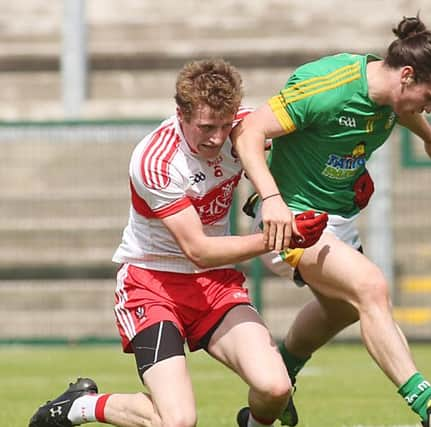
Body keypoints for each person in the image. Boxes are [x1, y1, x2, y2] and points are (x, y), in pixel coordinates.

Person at [28, 58, 328, 427]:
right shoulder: (157, 160)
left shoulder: (244, 129)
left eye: (224, 125)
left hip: (213, 286)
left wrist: (343, 185)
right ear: (181, 114)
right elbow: (198, 251)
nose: (217, 138)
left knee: (276, 389)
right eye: (205, 127)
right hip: (152, 285)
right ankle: (80, 406)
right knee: (178, 421)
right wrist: (278, 237)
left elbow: (311, 136)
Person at [232, 14, 431, 427]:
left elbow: (403, 110)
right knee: (371, 287)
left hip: (336, 219)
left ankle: (275, 390)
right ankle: (428, 405)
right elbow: (248, 133)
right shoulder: (329, 87)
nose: (429, 108)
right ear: (406, 75)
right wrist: (272, 200)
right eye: (429, 97)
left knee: (343, 310)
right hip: (288, 218)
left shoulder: (391, 96)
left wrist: (429, 135)